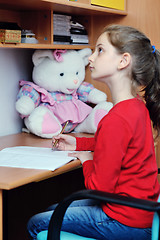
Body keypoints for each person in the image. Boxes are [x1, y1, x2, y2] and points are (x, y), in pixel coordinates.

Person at [27, 24, 160, 240]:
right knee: (54, 208)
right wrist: (79, 145)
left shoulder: (115, 119)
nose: (90, 57)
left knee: (37, 222)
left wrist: (87, 159)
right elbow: (118, 146)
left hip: (122, 220)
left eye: (100, 50)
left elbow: (99, 187)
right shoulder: (136, 106)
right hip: (143, 214)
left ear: (123, 61)